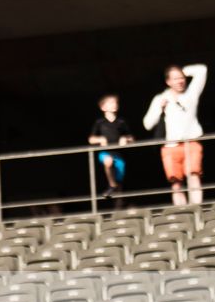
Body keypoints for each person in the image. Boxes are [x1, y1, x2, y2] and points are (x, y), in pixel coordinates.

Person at [144, 62, 208, 206]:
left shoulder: (191, 93)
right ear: (168, 82)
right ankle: (182, 212)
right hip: (171, 146)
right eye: (175, 78)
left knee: (194, 177)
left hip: (191, 142)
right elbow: (147, 124)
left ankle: (196, 209)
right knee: (176, 183)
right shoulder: (161, 98)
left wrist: (183, 71)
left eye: (182, 78)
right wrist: (160, 109)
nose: (180, 81)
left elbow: (202, 70)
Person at [88, 93, 134, 201]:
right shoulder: (100, 122)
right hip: (105, 152)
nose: (114, 104)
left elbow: (131, 138)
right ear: (103, 107)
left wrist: (125, 139)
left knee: (119, 185)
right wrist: (100, 139)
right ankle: (111, 184)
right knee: (108, 161)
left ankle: (118, 208)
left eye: (115, 102)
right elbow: (91, 139)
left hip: (118, 155)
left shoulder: (121, 122)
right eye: (111, 102)